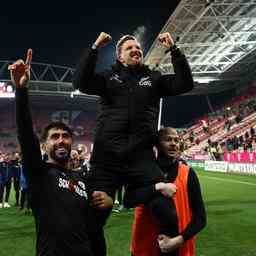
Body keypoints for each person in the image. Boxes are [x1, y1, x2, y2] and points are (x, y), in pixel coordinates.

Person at [73, 31, 194, 249]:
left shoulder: (154, 79)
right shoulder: (108, 78)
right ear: (119, 56)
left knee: (166, 213)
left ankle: (167, 247)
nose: (135, 49)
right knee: (91, 223)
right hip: (106, 160)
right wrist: (94, 48)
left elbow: (185, 84)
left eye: (137, 47)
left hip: (142, 159)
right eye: (129, 48)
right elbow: (81, 82)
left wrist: (174, 50)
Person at [9, 49, 113, 256]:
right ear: (44, 146)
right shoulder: (39, 172)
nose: (61, 140)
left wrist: (108, 204)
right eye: (54, 137)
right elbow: (26, 136)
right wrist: (21, 91)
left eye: (65, 136)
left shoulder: (82, 180)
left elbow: (94, 224)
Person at [130, 127, 206, 256]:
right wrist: (157, 187)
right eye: (168, 140)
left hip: (178, 248)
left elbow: (200, 218)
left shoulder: (188, 173)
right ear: (157, 144)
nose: (173, 144)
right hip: (144, 248)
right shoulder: (144, 171)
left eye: (176, 140)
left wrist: (178, 240)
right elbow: (129, 199)